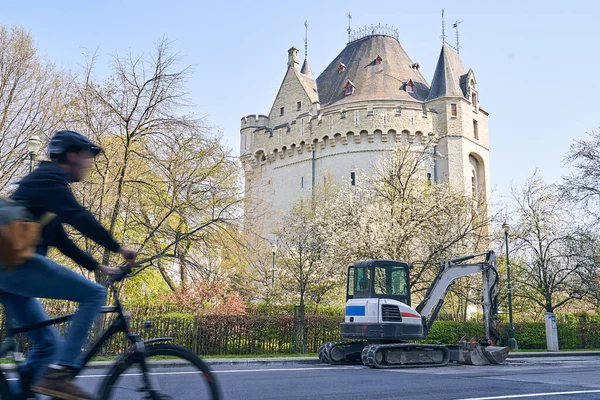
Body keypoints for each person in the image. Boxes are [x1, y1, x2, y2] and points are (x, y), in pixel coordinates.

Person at [0, 130, 137, 400]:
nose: (89, 164)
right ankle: (60, 373)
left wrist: (100, 267)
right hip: (16, 268)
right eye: (87, 157)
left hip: (9, 277)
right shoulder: (50, 178)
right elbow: (79, 217)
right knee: (94, 294)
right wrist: (118, 247)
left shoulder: (45, 186)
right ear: (73, 156)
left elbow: (61, 240)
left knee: (48, 345)